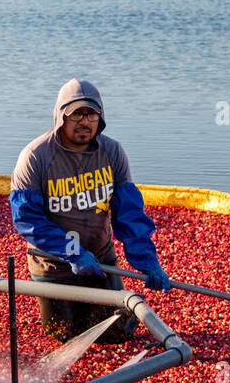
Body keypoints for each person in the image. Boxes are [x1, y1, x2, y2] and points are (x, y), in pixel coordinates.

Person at [10, 77, 171, 344]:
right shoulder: (36, 156)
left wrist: (147, 261)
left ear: (101, 117)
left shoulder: (112, 152)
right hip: (53, 265)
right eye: (76, 114)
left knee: (115, 335)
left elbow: (128, 214)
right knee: (67, 337)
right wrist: (72, 252)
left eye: (91, 114)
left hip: (100, 261)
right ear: (61, 116)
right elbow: (27, 219)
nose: (84, 122)